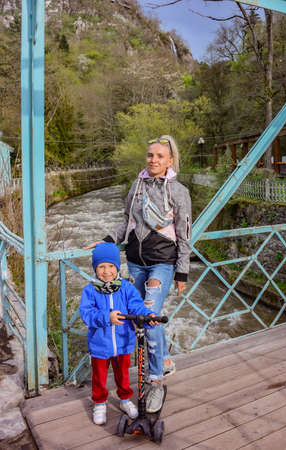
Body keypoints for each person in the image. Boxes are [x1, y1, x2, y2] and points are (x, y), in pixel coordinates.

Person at [86, 135, 192, 414]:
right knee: (138, 321)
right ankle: (165, 360)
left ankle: (155, 381)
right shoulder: (136, 186)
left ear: (170, 160)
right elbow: (127, 222)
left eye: (160, 156)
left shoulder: (178, 191)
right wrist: (108, 240)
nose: (153, 160)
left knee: (148, 316)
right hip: (134, 263)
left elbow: (184, 234)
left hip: (162, 263)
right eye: (150, 155)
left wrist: (182, 272)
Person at [80, 242, 157, 425]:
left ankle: (124, 399)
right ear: (95, 268)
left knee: (123, 374)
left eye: (111, 266)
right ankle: (99, 402)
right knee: (99, 376)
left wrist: (148, 317)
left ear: (117, 267)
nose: (106, 271)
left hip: (123, 342)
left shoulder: (126, 287)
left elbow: (137, 306)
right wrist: (107, 317)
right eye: (101, 267)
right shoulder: (90, 290)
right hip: (100, 343)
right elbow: (87, 314)